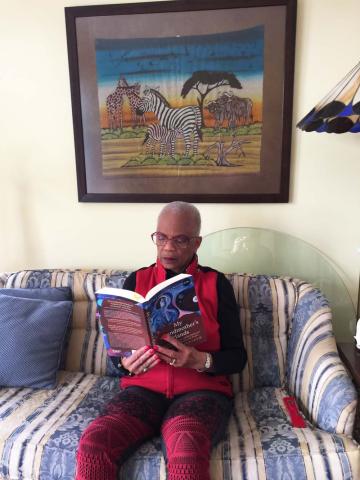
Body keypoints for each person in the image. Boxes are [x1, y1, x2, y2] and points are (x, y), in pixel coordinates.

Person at [75, 201, 247, 480]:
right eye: (161, 238)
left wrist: (200, 360)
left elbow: (237, 357)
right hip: (142, 390)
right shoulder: (137, 279)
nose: (168, 248)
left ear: (196, 243)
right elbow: (119, 355)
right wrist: (126, 363)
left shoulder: (216, 284)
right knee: (95, 443)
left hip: (201, 391)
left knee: (186, 446)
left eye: (180, 240)